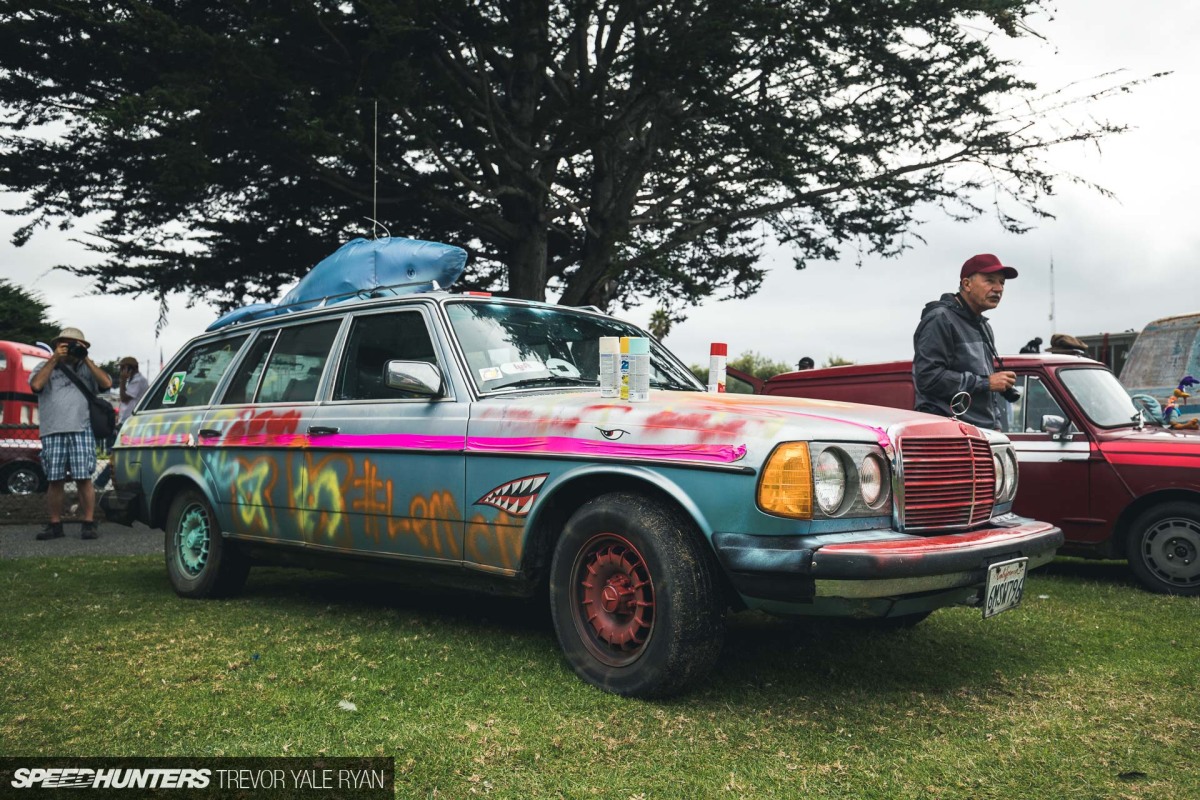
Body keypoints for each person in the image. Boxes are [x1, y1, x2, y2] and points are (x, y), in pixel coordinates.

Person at [912, 253, 1018, 431]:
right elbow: (927, 378)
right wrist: (986, 383)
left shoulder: (983, 326)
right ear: (967, 284)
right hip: (949, 435)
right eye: (990, 280)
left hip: (981, 435)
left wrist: (996, 425)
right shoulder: (940, 319)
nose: (998, 288)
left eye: (1002, 282)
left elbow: (986, 393)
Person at [28, 326, 113, 540]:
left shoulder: (86, 368)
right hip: (52, 429)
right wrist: (54, 359)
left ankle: (88, 522)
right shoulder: (44, 366)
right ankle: (55, 525)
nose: (69, 348)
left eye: (74, 344)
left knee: (83, 478)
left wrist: (85, 358)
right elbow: (37, 385)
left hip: (81, 428)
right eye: (65, 344)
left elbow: (107, 383)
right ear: (58, 345)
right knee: (54, 479)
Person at [95, 356, 148, 490]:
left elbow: (124, 398)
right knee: (120, 453)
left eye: (123, 368)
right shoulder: (134, 381)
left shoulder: (138, 381)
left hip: (131, 423)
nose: (121, 371)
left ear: (130, 368)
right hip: (126, 421)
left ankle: (101, 482)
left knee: (117, 454)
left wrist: (123, 380)